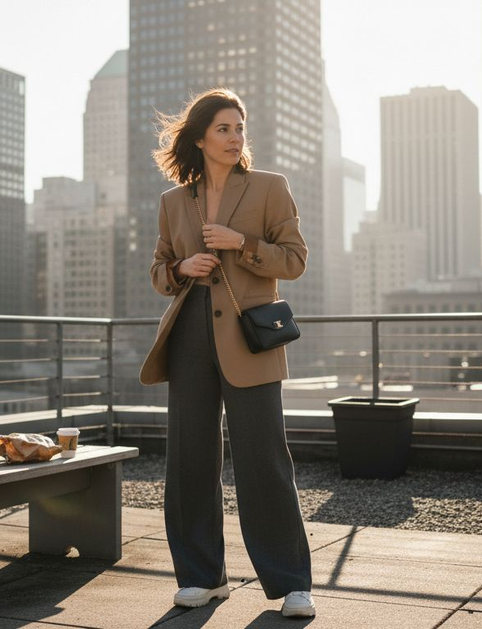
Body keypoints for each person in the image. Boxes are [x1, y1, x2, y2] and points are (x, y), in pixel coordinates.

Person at [139, 88, 315, 618]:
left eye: (240, 128)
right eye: (223, 128)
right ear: (199, 137)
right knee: (190, 461)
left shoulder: (269, 188)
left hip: (249, 336)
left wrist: (241, 243)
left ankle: (291, 584)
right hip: (190, 333)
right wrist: (179, 270)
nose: (235, 137)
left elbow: (295, 261)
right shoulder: (174, 201)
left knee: (263, 458)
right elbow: (158, 270)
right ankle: (201, 576)